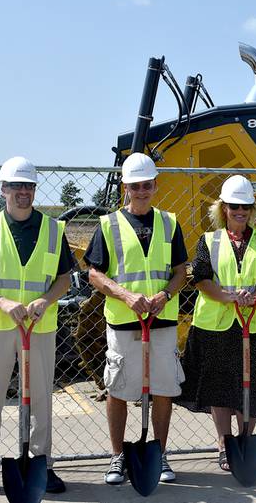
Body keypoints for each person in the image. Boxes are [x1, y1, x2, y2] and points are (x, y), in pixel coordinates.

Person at [0, 156, 74, 502]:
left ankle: (41, 463)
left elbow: (65, 280)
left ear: (34, 190)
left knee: (40, 400)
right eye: (16, 186)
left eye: (29, 186)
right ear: (4, 189)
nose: (23, 192)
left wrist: (45, 300)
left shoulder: (54, 230)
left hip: (38, 328)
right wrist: (1, 303)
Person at [84, 152, 188, 485]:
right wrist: (126, 296)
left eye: (147, 185)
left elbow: (180, 273)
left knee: (163, 389)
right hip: (123, 322)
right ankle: (117, 456)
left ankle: (160, 452)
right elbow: (94, 274)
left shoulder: (170, 223)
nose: (141, 191)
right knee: (118, 389)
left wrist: (165, 296)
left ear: (155, 185)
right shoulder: (108, 224)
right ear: (125, 188)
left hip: (161, 321)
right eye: (135, 186)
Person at [177, 175, 256, 471]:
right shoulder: (208, 241)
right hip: (217, 326)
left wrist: (255, 297)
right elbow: (200, 278)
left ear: (252, 209)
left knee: (252, 386)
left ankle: (245, 439)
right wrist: (229, 297)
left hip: (254, 324)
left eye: (245, 206)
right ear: (223, 208)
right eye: (234, 206)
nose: (240, 211)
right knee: (219, 387)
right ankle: (224, 443)